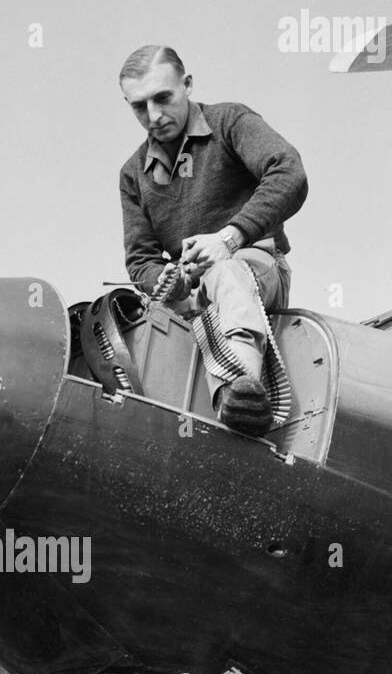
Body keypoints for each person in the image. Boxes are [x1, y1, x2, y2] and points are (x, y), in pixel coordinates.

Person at [118, 44, 308, 435]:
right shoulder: (132, 174)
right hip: (191, 296)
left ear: (187, 84)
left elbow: (289, 173)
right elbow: (140, 260)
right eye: (139, 106)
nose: (153, 116)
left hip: (256, 269)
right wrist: (166, 280)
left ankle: (240, 393)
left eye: (162, 98)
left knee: (225, 272)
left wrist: (230, 238)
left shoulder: (230, 122)